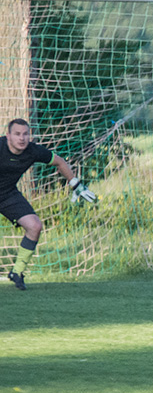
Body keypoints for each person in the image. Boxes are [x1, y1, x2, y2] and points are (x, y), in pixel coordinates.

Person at [1, 118, 97, 290]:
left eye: (25, 134)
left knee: (34, 226)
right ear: (7, 136)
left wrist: (74, 182)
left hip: (7, 194)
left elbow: (59, 161)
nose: (21, 138)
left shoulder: (33, 151)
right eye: (17, 134)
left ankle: (17, 272)